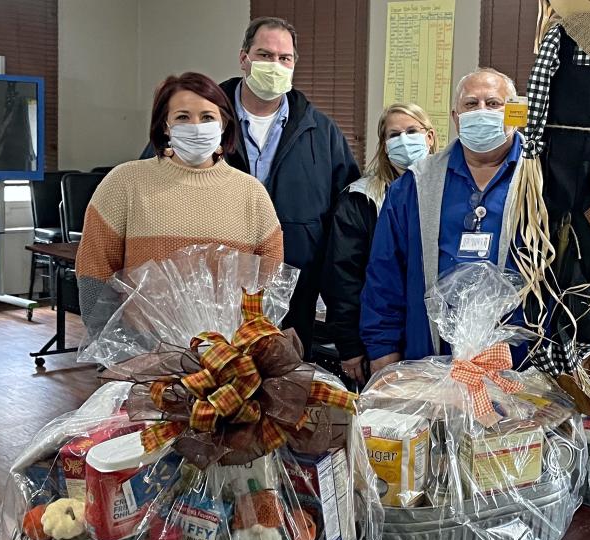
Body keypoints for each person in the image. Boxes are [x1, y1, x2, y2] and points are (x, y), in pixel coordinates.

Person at [140, 17, 360, 355]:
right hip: (201, 299)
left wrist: (342, 319)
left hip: (291, 301)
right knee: (202, 395)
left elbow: (344, 228)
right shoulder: (203, 119)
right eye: (264, 55)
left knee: (275, 398)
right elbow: (149, 188)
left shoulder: (322, 133)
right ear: (244, 58)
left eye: (284, 58)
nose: (275, 65)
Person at [77, 72, 283, 324]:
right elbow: (94, 269)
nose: (196, 126)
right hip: (142, 354)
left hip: (229, 355)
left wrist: (255, 344)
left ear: (224, 123)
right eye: (183, 117)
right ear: (165, 125)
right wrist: (110, 346)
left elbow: (270, 283)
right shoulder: (125, 182)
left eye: (207, 117)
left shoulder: (251, 194)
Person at [360, 69, 525, 373]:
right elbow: (385, 278)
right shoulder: (415, 186)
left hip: (519, 366)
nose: (482, 112)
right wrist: (383, 357)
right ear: (455, 116)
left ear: (515, 113)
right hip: (428, 363)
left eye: (493, 103)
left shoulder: (540, 183)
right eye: (471, 105)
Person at [321, 103, 438, 385]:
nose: (404, 140)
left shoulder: (448, 190)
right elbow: (343, 280)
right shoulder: (361, 199)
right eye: (394, 135)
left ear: (430, 137)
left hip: (436, 336)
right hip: (381, 342)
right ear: (384, 146)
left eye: (412, 131)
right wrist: (351, 347)